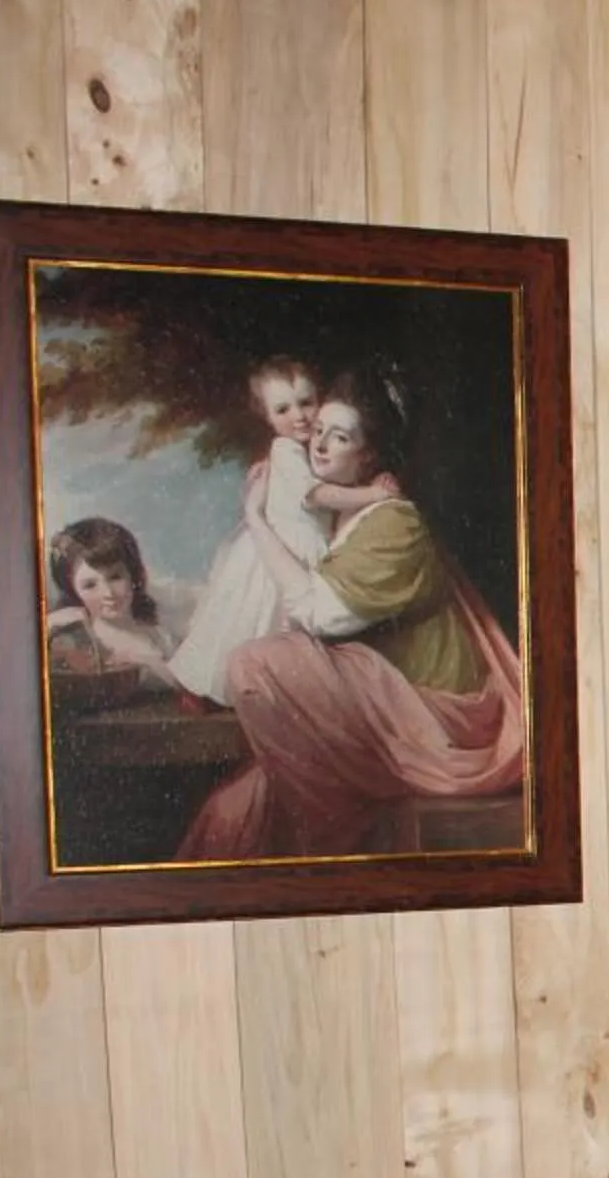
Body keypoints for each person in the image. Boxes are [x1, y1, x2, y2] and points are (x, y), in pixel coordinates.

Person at [176, 366, 525, 862]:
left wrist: (254, 520)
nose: (318, 446)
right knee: (230, 814)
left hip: (433, 719)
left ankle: (332, 835)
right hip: (377, 707)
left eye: (338, 438)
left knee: (257, 663)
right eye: (318, 431)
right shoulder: (342, 512)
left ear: (370, 454)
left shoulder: (394, 524)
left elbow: (322, 617)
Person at [163, 357, 397, 704]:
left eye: (306, 403)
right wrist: (373, 495)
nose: (299, 416)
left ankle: (275, 693)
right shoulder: (285, 450)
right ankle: (213, 690)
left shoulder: (311, 448)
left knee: (283, 630)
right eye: (283, 409)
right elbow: (317, 495)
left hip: (297, 548)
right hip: (278, 551)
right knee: (250, 622)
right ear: (268, 418)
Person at [43, 516, 176, 676]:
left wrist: (152, 661)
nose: (108, 593)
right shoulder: (79, 641)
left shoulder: (160, 637)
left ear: (133, 575)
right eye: (90, 585)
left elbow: (189, 690)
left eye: (115, 577)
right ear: (74, 591)